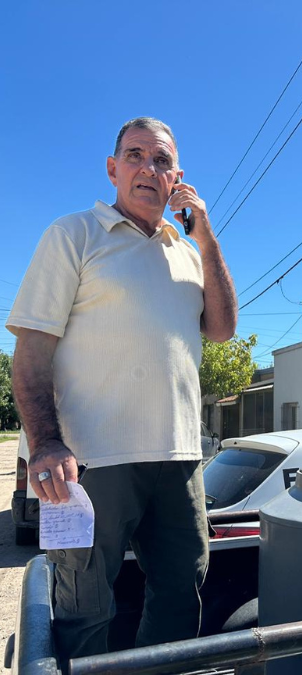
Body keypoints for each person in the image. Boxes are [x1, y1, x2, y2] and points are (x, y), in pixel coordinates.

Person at [6, 117, 237, 657]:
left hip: (179, 460)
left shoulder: (188, 251)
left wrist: (205, 236)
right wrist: (45, 443)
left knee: (180, 596)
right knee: (84, 609)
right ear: (113, 169)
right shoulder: (74, 235)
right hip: (90, 463)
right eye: (135, 155)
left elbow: (223, 329)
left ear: (177, 178)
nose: (148, 169)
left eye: (161, 161)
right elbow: (32, 351)